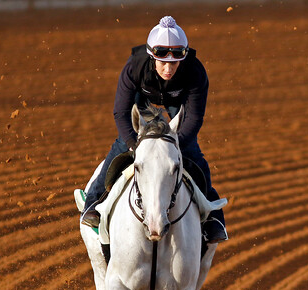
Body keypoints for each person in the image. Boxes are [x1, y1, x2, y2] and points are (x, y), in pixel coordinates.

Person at [80, 15, 227, 243]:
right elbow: (121, 112)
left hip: (177, 102)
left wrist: (175, 144)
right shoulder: (134, 67)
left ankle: (213, 218)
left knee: (193, 154)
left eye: (174, 63)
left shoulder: (195, 72)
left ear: (183, 58)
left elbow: (195, 118)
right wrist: (133, 144)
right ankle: (93, 203)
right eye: (162, 62)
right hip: (144, 95)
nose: (168, 69)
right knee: (119, 148)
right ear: (151, 57)